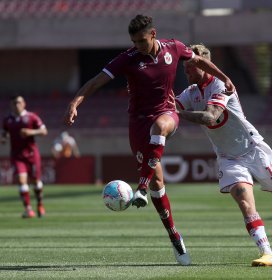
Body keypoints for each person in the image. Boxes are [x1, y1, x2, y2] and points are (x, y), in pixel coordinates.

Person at [63, 15, 235, 266]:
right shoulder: (128, 59)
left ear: (153, 34)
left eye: (141, 41)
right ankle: (174, 234)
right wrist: (75, 102)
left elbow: (198, 60)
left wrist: (225, 77)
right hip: (137, 123)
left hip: (166, 113)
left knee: (160, 127)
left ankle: (140, 187)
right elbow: (96, 81)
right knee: (158, 183)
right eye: (134, 41)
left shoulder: (173, 47)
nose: (138, 46)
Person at [176, 44, 272, 267]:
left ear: (205, 66)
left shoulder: (221, 86)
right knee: (244, 200)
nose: (186, 72)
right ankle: (268, 253)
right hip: (228, 157)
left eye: (190, 67)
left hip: (253, 149)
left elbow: (211, 117)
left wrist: (179, 113)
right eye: (185, 68)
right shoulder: (191, 93)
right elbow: (170, 105)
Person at [1, 96, 48, 218]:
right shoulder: (8, 120)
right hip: (17, 155)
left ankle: (40, 204)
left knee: (36, 182)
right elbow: (4, 133)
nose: (17, 105)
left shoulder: (32, 117)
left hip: (32, 154)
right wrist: (3, 139)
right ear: (11, 105)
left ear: (24, 104)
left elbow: (44, 131)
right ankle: (28, 209)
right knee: (21, 181)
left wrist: (31, 132)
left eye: (19, 102)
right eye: (15, 103)